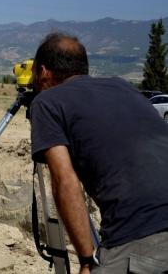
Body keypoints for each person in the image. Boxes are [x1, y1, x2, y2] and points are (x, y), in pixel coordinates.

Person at [29, 32, 168, 273]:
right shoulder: (123, 86)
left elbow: (65, 181)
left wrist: (85, 259)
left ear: (43, 72)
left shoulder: (48, 102)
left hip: (139, 236)